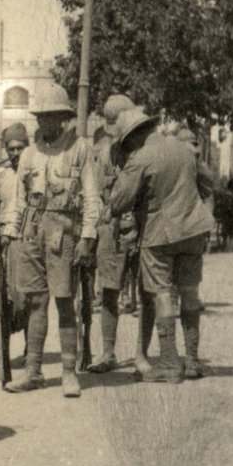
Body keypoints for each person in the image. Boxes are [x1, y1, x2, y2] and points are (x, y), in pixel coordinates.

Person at [4, 84, 99, 398]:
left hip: (63, 231)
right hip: (32, 230)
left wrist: (86, 238)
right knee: (35, 301)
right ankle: (33, 371)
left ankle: (69, 373)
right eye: (41, 116)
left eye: (52, 116)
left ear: (63, 118)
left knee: (64, 301)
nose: (46, 122)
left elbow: (91, 198)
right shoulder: (30, 154)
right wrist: (10, 234)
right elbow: (18, 200)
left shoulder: (79, 149)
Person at [110, 107, 215, 382]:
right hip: (193, 230)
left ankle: (169, 363)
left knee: (163, 295)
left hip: (160, 235)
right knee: (190, 293)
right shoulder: (184, 148)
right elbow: (208, 184)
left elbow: (118, 201)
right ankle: (192, 360)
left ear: (132, 137)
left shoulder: (140, 157)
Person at [87, 94, 136, 373]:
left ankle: (143, 353)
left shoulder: (145, 153)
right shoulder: (106, 154)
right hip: (112, 228)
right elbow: (96, 195)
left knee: (149, 292)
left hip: (142, 227)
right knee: (108, 292)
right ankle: (108, 352)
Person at [0, 122, 29, 329]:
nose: (15, 153)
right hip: (2, 241)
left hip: (25, 241)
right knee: (1, 295)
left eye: (20, 148)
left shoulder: (33, 174)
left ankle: (31, 346)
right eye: (11, 149)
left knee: (26, 296)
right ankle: (4, 347)